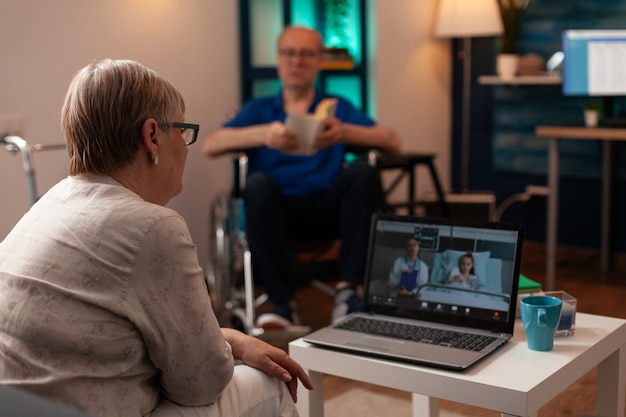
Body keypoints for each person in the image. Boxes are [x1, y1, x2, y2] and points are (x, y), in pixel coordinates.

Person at [0, 59, 313, 417]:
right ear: (152, 137)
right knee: (268, 385)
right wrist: (231, 345)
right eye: (182, 130)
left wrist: (232, 338)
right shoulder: (151, 226)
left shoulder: (49, 203)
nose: (185, 145)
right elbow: (201, 385)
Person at [203, 26, 402, 328]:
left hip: (328, 211)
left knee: (363, 172)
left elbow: (392, 141)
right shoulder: (260, 110)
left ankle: (349, 292)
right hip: (275, 213)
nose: (297, 61)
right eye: (289, 53)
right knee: (257, 184)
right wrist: (264, 135)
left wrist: (344, 132)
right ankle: (283, 304)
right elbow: (210, 144)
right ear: (279, 60)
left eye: (306, 54)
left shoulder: (336, 108)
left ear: (320, 61)